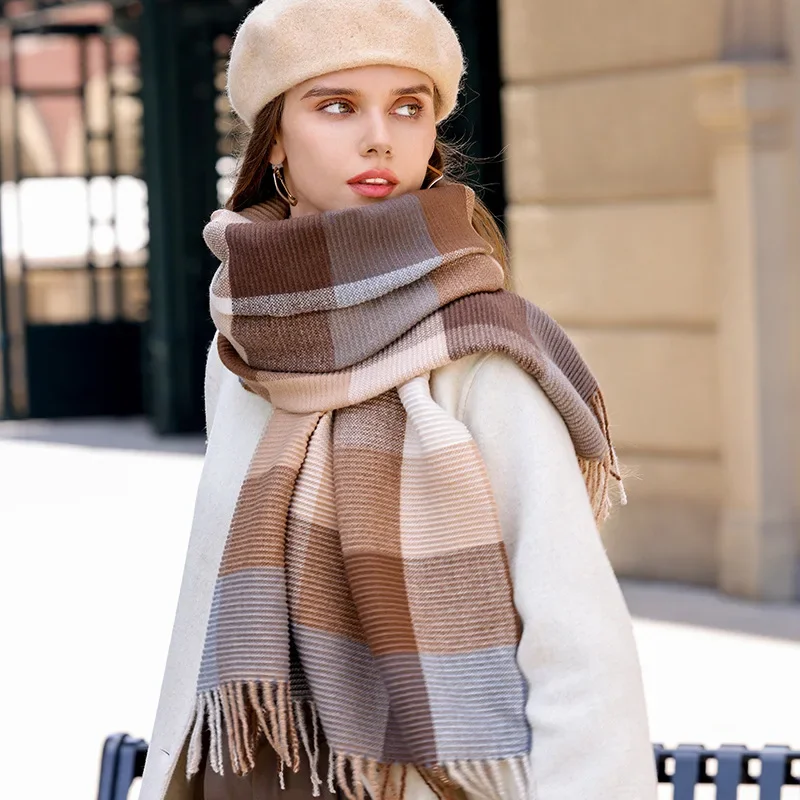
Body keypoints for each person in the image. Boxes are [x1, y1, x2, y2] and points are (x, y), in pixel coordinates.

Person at [139, 1, 658, 799]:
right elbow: (208, 595)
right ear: (274, 136)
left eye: (408, 107)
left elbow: (578, 646)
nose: (379, 136)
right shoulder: (241, 346)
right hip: (249, 773)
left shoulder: (482, 351)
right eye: (337, 105)